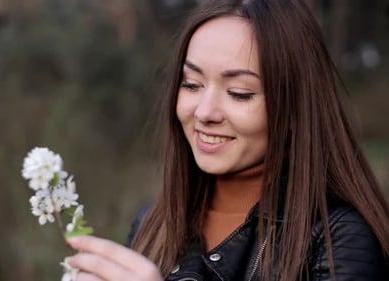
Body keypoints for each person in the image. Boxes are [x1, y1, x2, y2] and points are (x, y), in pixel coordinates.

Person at [65, 0, 389, 280]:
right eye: (191, 84)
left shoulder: (338, 241)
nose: (205, 112)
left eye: (239, 93)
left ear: (294, 108)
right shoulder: (154, 222)